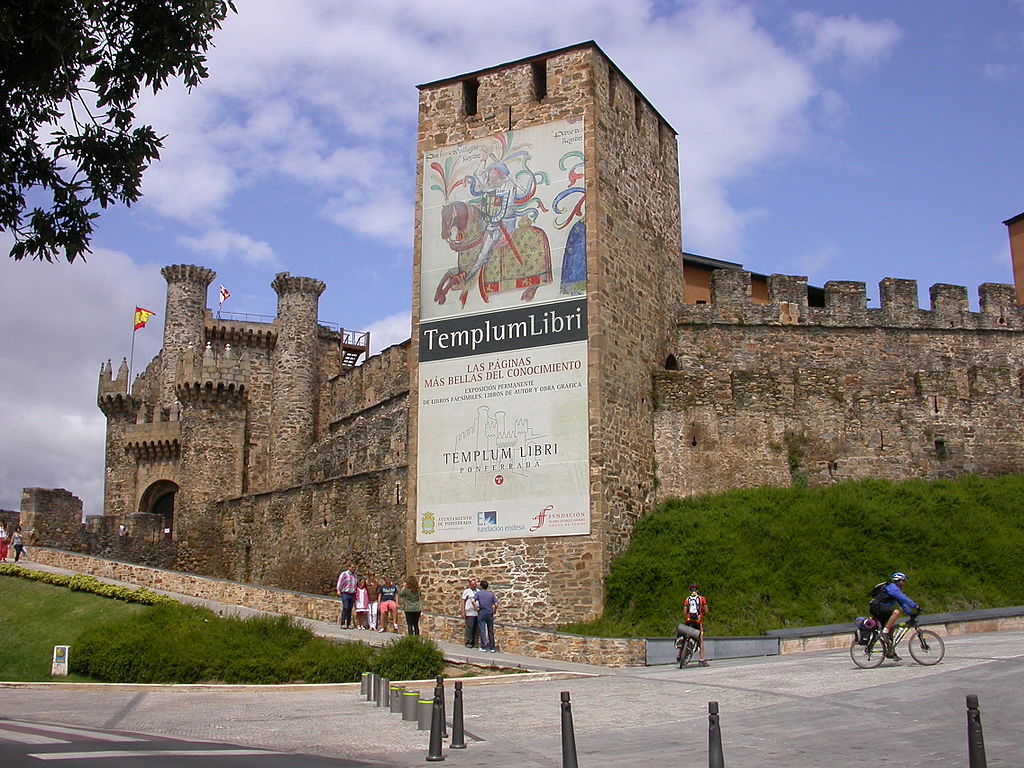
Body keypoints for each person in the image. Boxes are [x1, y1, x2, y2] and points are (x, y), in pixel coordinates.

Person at [869, 572, 920, 661]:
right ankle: (884, 632)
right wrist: (916, 606)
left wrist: (910, 613)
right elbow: (904, 598)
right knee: (896, 612)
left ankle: (891, 652)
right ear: (899, 581)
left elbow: (902, 603)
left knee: (891, 629)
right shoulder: (892, 588)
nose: (905, 583)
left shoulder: (896, 590)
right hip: (876, 607)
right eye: (904, 581)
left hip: (880, 609)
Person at [683, 584, 709, 666]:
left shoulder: (687, 599)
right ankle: (701, 660)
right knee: (700, 640)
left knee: (685, 635)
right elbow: (706, 610)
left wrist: (688, 616)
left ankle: (680, 655)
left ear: (690, 591)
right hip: (698, 621)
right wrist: (702, 614)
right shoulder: (702, 599)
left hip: (688, 620)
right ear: (697, 590)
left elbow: (684, 611)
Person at [474, 579, 498, 653]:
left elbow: (473, 600)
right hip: (489, 612)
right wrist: (494, 611)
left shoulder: (479, 593)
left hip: (482, 612)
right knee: (490, 630)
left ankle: (483, 646)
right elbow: (496, 604)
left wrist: (476, 608)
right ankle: (492, 647)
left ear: (481, 586)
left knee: (482, 629)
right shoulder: (491, 594)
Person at [335, 564, 357, 629]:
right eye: (352, 567)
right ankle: (343, 623)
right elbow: (340, 582)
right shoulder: (344, 574)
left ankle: (348, 623)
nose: (353, 569)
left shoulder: (355, 576)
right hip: (345, 593)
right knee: (346, 607)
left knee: (350, 609)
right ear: (349, 567)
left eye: (354, 568)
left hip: (352, 594)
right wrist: (338, 590)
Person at [460, 578, 480, 648]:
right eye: (473, 584)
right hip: (469, 612)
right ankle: (469, 642)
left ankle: (474, 642)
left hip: (477, 613)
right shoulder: (467, 591)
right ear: (470, 585)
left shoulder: (478, 591)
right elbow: (463, 601)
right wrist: (463, 611)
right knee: (470, 627)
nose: (474, 585)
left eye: (475, 584)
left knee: (476, 628)